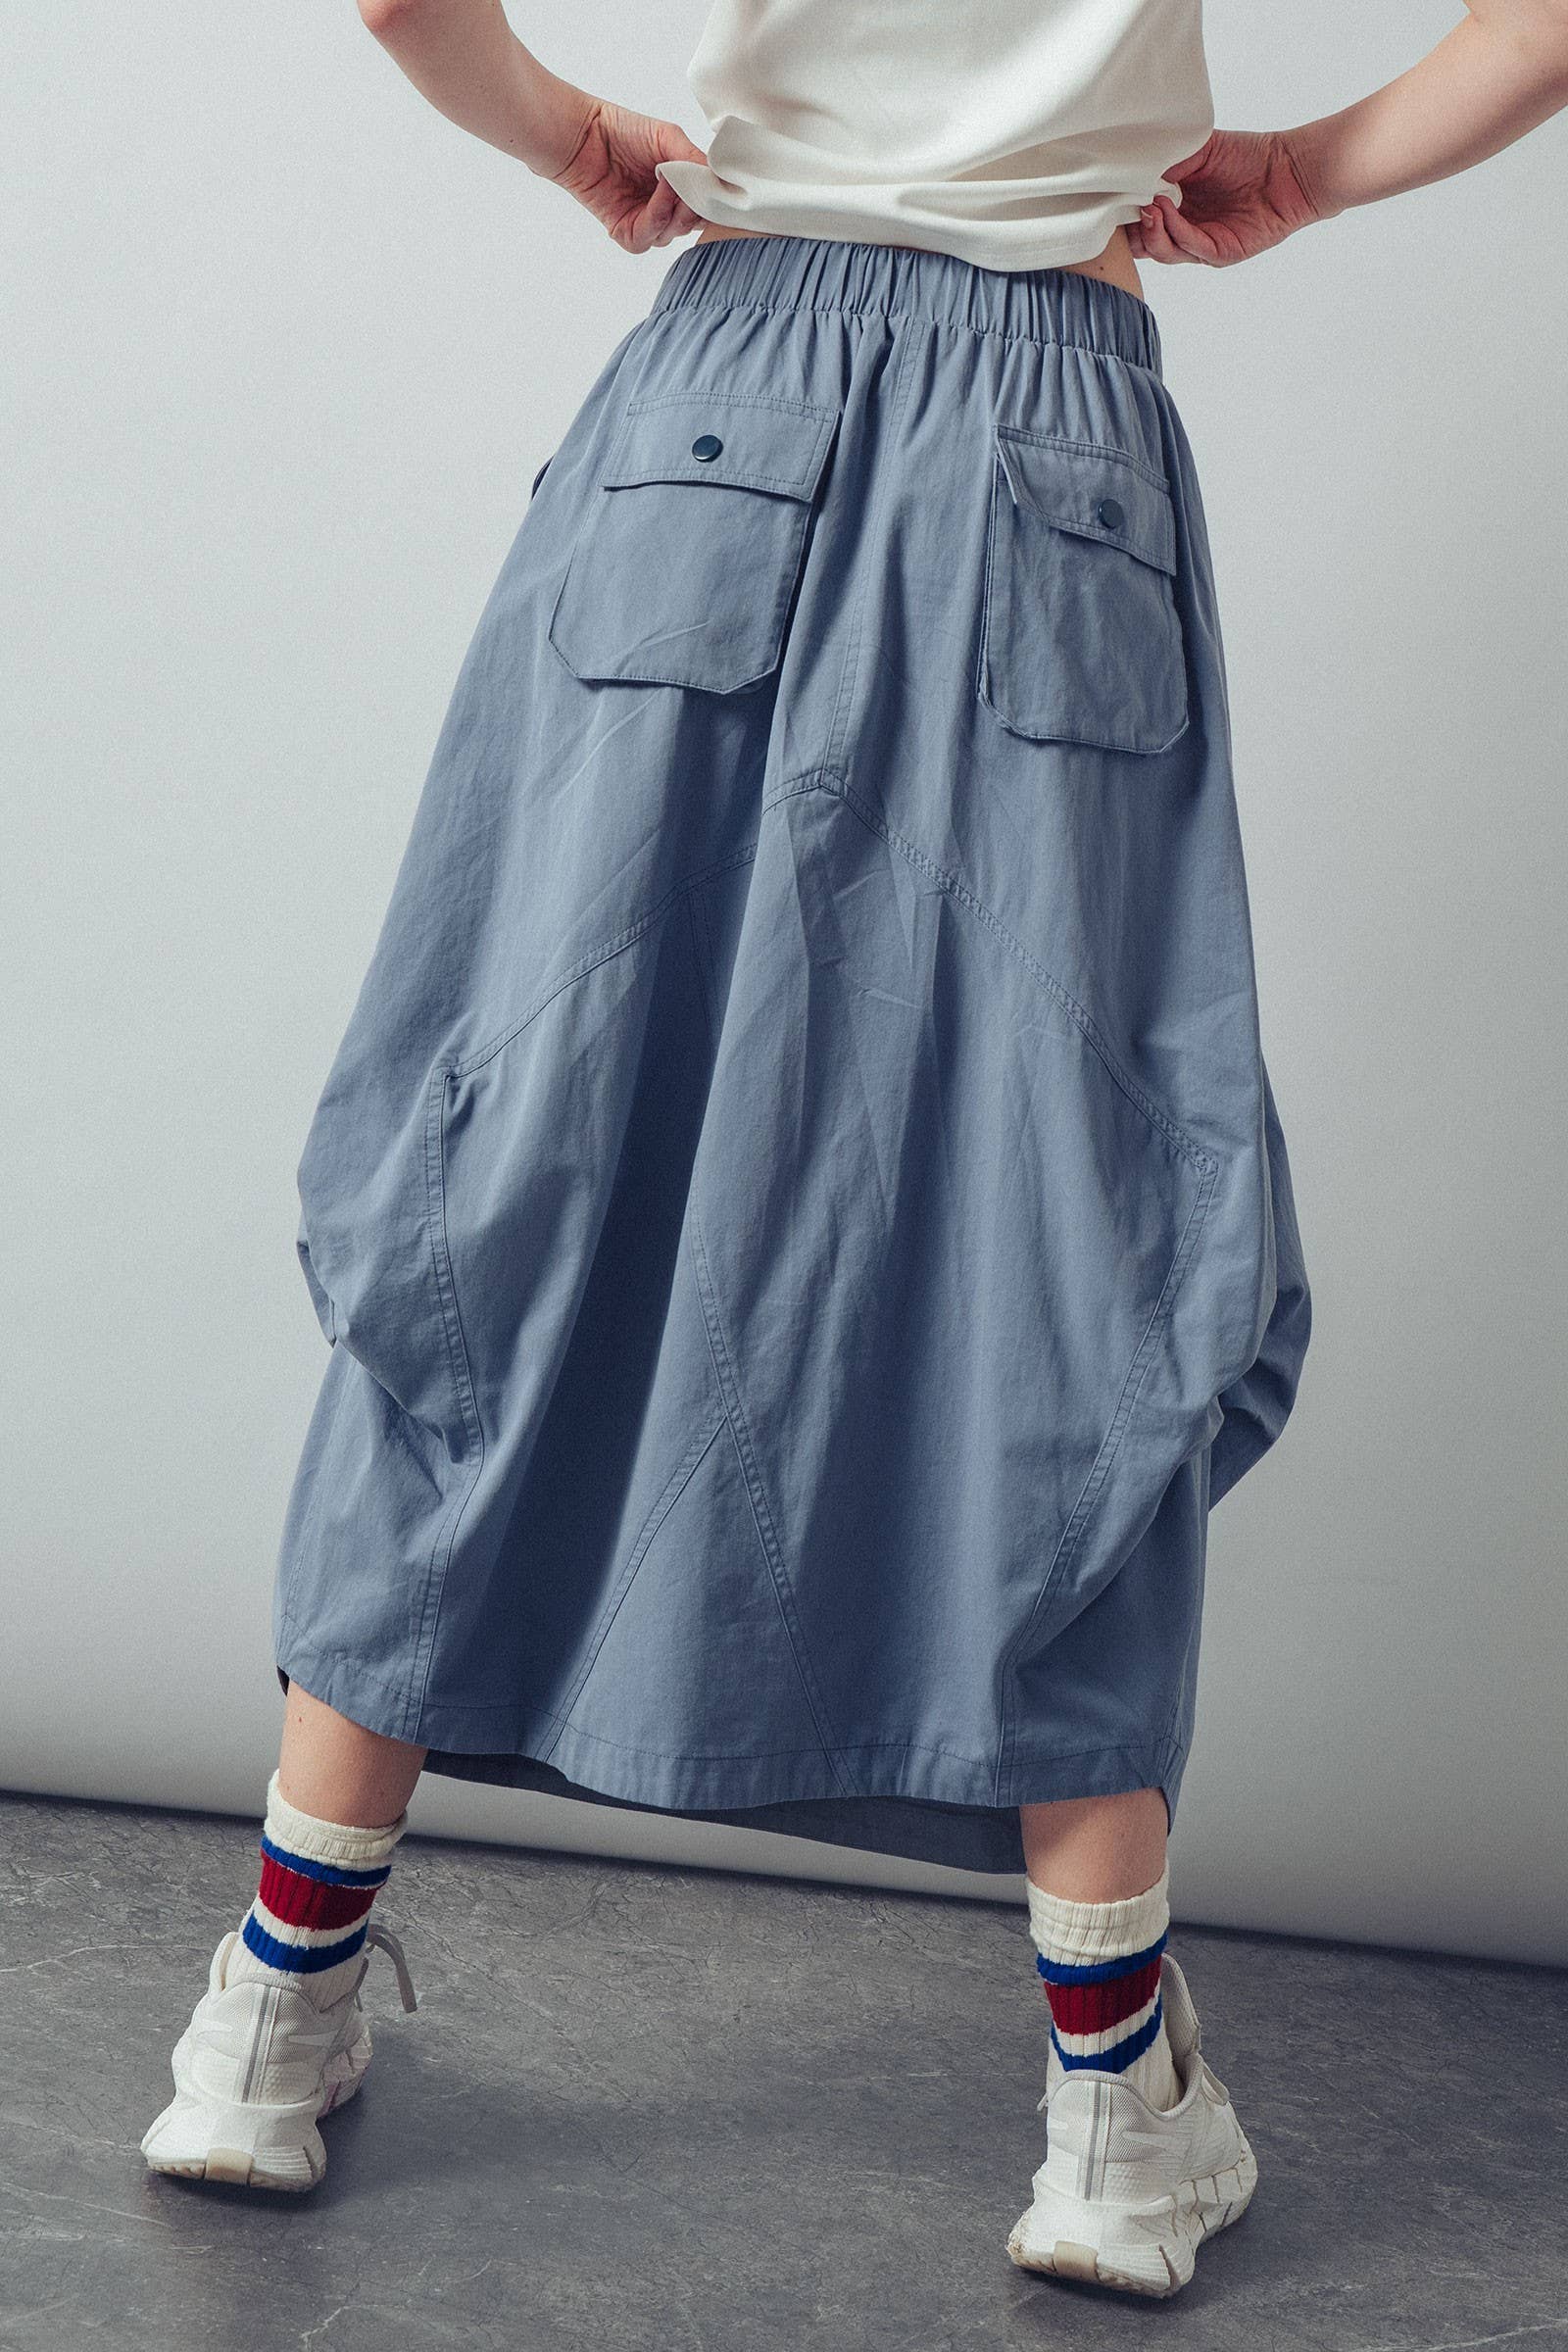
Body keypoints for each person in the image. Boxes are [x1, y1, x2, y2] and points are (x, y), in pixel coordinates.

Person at [141, 0, 1568, 2298]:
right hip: (1050, 427)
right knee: (1067, 1241)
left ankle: (265, 2028)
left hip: (715, 404)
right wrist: (1301, 171)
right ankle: (1111, 2130)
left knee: (516, 1182)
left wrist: (565, 135)